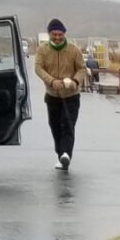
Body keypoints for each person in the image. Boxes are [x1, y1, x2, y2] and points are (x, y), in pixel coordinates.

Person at [36, 18, 83, 169]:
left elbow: (82, 69)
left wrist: (75, 81)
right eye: (54, 34)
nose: (57, 38)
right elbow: (38, 68)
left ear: (64, 34)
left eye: (60, 35)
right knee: (55, 126)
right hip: (52, 96)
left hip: (71, 96)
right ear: (49, 34)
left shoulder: (73, 50)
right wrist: (51, 81)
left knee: (67, 125)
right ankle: (61, 154)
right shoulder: (42, 50)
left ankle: (66, 154)